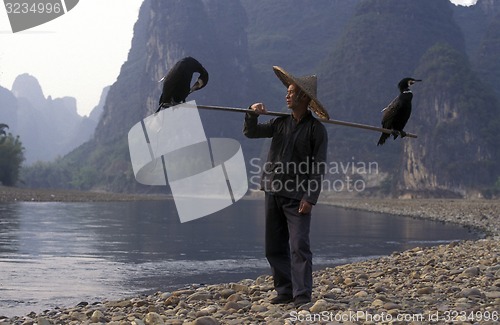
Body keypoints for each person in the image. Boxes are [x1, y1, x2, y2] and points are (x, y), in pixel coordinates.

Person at [243, 66, 328, 307]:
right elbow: (252, 133)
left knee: (299, 245)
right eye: (288, 92)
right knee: (273, 247)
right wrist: (252, 113)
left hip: (297, 196)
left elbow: (318, 166)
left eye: (292, 92)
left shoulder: (316, 130)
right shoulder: (279, 123)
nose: (287, 96)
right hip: (272, 190)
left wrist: (310, 198)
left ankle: (302, 296)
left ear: (304, 98)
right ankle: (284, 290)